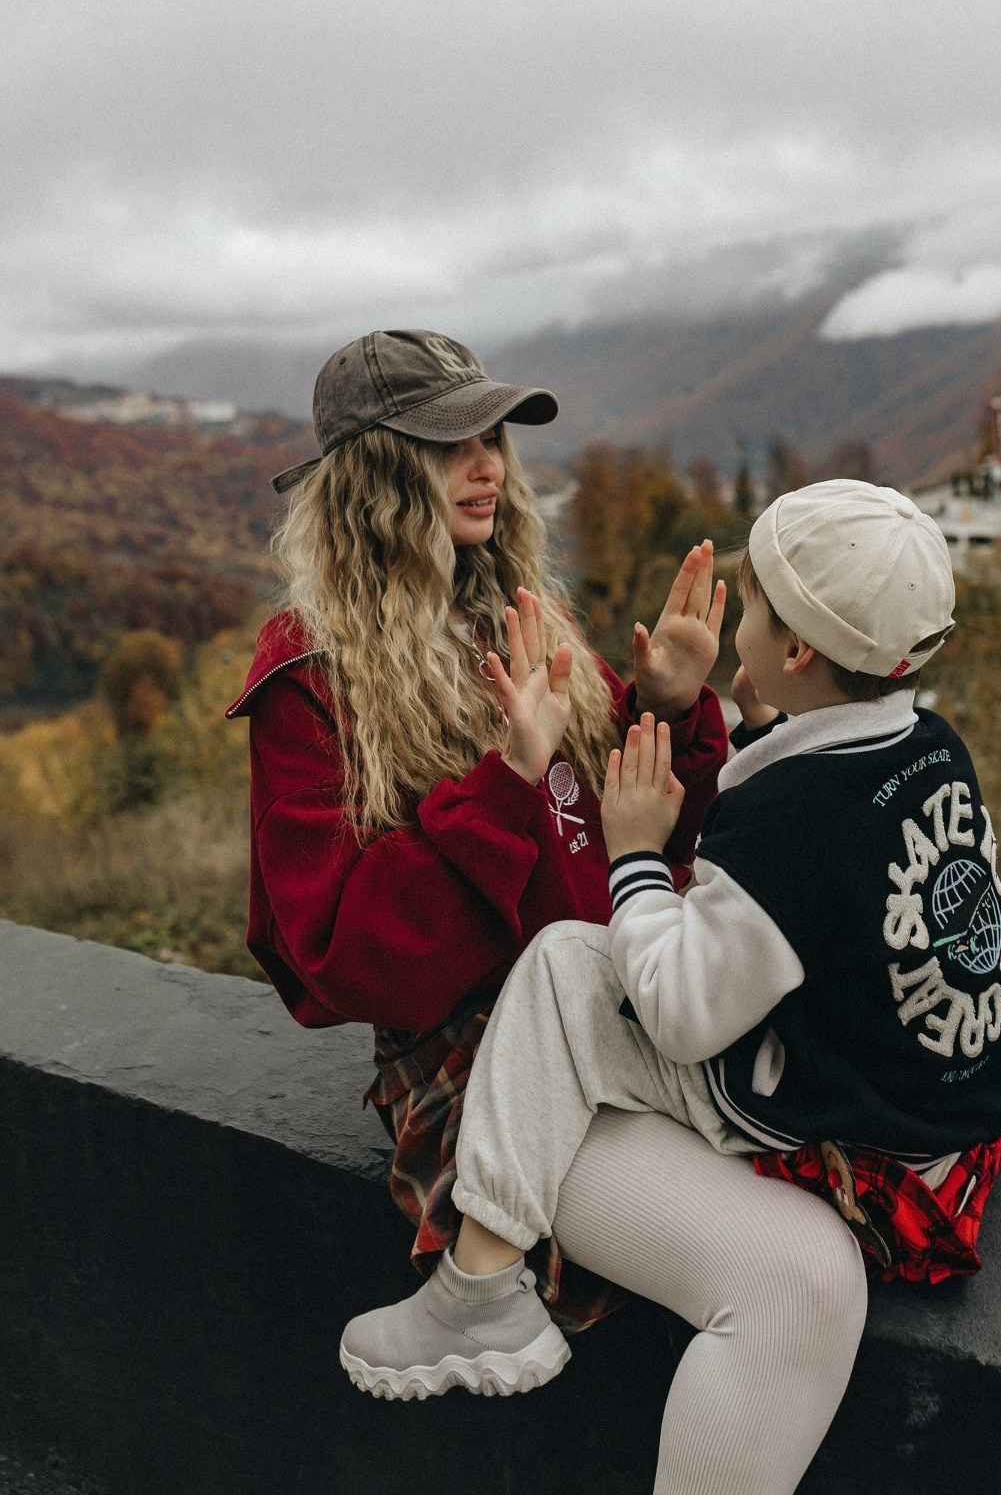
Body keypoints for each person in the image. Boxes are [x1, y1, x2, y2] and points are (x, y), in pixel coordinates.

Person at [228, 330, 868, 1495]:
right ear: (373, 475)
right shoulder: (312, 676)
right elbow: (340, 962)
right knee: (799, 1278)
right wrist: (502, 783)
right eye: (449, 445)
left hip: (624, 1015)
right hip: (487, 1075)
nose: (488, 465)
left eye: (493, 438)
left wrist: (665, 710)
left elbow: (639, 846)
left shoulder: (518, 617)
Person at [342, 480, 1001, 1397]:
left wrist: (636, 856)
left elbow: (681, 1016)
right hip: (949, 1093)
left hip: (830, 1116)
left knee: (564, 966)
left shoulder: (788, 820)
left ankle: (478, 1289)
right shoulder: (934, 748)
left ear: (795, 650)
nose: (736, 626)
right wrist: (763, 723)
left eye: (751, 607)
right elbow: (853, 881)